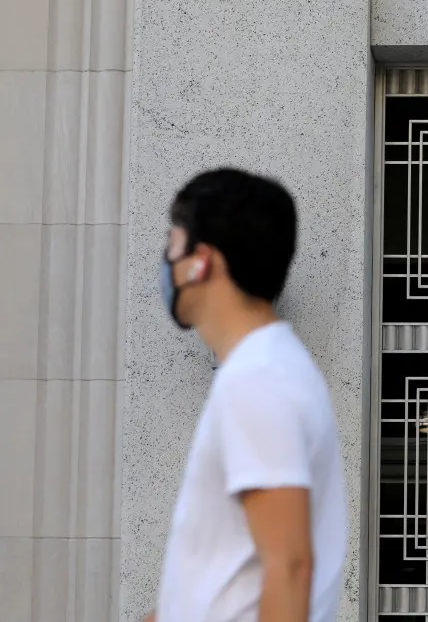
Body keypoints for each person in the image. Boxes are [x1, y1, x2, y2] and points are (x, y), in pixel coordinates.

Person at [144, 168, 347, 622]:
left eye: (173, 242)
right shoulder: (261, 370)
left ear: (203, 260)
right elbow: (222, 573)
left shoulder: (259, 378)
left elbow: (290, 567)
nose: (165, 260)